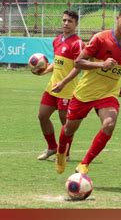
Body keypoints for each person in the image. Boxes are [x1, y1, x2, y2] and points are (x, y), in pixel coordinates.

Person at [55, 5, 121, 174]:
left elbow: (117, 68)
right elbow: (78, 62)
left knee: (109, 124)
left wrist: (118, 85)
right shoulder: (100, 39)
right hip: (85, 92)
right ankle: (61, 150)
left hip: (108, 93)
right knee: (69, 129)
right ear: (117, 19)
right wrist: (101, 64)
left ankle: (84, 165)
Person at [35, 10, 84, 161]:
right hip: (52, 88)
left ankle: (65, 153)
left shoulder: (78, 43)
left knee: (67, 125)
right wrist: (43, 72)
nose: (66, 23)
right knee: (42, 116)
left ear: (76, 24)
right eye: (64, 20)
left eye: (69, 21)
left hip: (67, 90)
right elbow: (57, 64)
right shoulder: (57, 40)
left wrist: (63, 82)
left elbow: (78, 67)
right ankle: (52, 147)